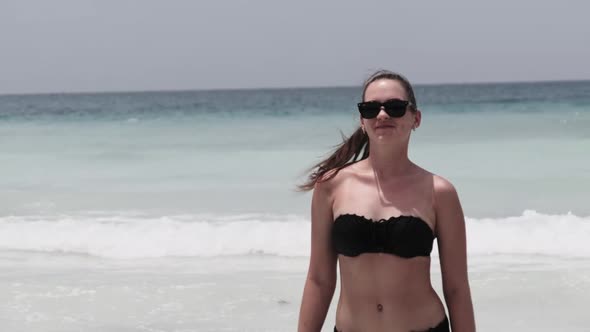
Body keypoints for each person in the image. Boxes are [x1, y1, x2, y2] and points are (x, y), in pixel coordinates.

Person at [297, 70, 476, 332]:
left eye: (394, 107)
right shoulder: (331, 186)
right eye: (371, 109)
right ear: (362, 120)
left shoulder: (440, 192)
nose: (382, 115)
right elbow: (319, 280)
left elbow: (457, 288)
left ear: (416, 118)